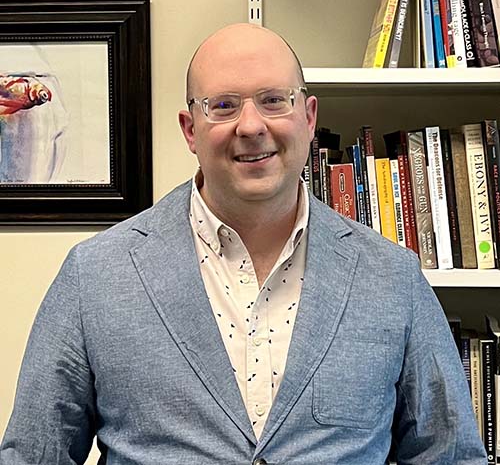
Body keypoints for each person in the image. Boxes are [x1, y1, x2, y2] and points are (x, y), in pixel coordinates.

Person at [0, 23, 486, 465]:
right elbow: (33, 457)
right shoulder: (96, 275)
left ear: (309, 117)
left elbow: (449, 456)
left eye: (275, 100)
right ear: (190, 130)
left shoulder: (392, 277)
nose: (252, 126)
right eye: (224, 105)